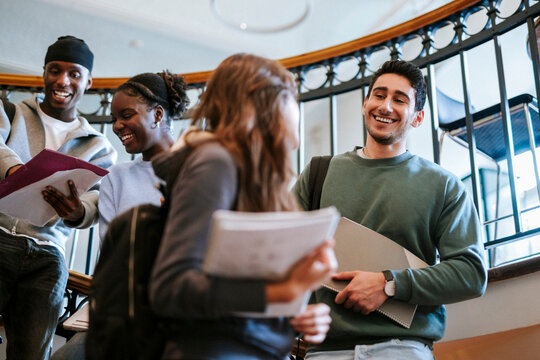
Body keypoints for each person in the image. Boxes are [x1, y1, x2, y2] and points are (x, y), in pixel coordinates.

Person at [293, 60, 487, 360]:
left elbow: (471, 273)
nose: (385, 106)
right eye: (379, 95)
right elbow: (281, 254)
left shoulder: (443, 185)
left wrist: (389, 284)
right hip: (324, 352)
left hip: (403, 349)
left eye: (400, 99)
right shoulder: (319, 173)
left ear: (418, 118)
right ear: (365, 103)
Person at [149, 53, 335, 359]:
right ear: (261, 103)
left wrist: (293, 315)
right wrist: (282, 292)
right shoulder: (216, 162)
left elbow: (235, 292)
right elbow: (172, 288)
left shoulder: (255, 180)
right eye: (289, 95)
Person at [50, 70, 189, 360]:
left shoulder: (199, 168)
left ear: (158, 114)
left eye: (126, 115)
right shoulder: (117, 177)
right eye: (114, 118)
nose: (117, 126)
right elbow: (114, 255)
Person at [0, 36, 116, 360]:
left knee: (32, 354)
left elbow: (99, 200)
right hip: (0, 234)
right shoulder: (10, 111)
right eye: (55, 70)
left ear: (89, 82)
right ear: (44, 74)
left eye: (74, 74)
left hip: (49, 254)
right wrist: (15, 170)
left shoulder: (101, 148)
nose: (63, 81)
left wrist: (79, 211)